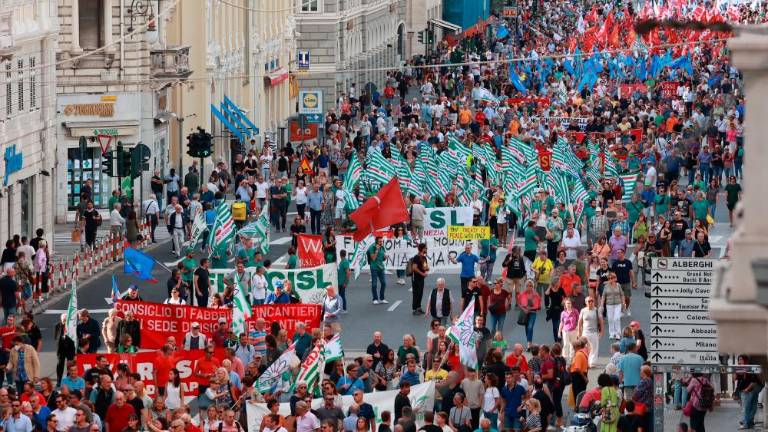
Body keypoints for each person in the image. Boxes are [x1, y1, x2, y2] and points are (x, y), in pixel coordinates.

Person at [578, 296, 603, 368]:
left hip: (594, 332)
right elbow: (580, 322)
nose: (591, 302)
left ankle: (593, 362)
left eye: (592, 301)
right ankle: (586, 361)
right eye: (589, 301)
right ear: (586, 303)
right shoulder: (583, 310)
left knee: (594, 348)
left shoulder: (596, 310)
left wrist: (601, 332)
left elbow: (601, 321)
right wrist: (579, 332)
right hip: (585, 332)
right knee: (585, 348)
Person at [517, 280, 541, 350]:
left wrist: (530, 309)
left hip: (533, 313)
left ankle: (529, 344)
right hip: (525, 313)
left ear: (533, 287)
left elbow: (538, 306)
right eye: (527, 286)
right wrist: (524, 309)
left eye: (530, 286)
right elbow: (519, 304)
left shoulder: (536, 295)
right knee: (527, 328)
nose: (529, 287)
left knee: (530, 327)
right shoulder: (522, 294)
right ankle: (529, 342)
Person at [367, 237, 387, 305]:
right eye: (380, 241)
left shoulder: (382, 247)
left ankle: (382, 298)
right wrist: (376, 250)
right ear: (376, 242)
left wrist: (385, 257)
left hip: (381, 267)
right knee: (374, 284)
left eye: (382, 241)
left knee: (384, 283)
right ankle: (375, 299)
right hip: (374, 267)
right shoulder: (372, 248)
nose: (381, 243)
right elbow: (373, 258)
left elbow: (383, 258)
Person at [410, 243, 429, 315]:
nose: (426, 249)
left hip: (421, 278)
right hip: (416, 278)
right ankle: (415, 309)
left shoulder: (423, 257)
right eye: (425, 248)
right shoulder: (416, 257)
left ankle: (419, 307)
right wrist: (422, 273)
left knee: (420, 293)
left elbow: (425, 267)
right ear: (422, 249)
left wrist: (426, 268)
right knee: (416, 293)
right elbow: (414, 268)